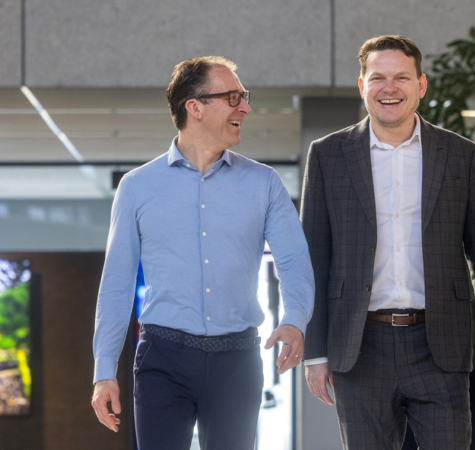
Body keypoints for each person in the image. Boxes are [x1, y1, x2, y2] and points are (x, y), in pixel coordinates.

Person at [299, 35, 475, 450]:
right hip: (359, 346)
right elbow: (314, 259)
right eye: (378, 78)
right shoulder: (328, 154)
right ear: (362, 86)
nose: (389, 88)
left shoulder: (460, 155)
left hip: (439, 345)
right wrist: (315, 352)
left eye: (401, 77)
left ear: (421, 85)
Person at [90, 56, 314, 450]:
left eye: (244, 97)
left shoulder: (264, 183)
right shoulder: (137, 187)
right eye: (233, 98)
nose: (245, 108)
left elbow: (294, 260)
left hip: (237, 361)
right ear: (195, 107)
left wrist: (295, 319)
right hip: (162, 359)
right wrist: (104, 370)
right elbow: (117, 284)